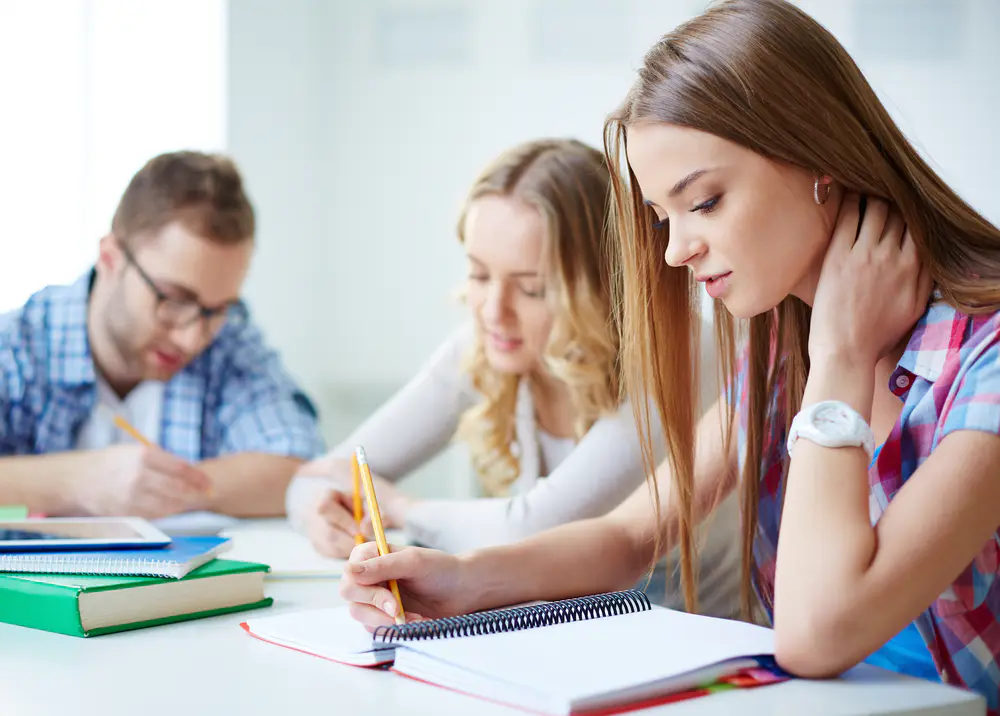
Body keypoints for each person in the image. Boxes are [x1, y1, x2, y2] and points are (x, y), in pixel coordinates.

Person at [339, 0, 1000, 709]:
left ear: (821, 161)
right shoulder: (784, 349)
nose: (676, 250)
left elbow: (815, 634)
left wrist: (839, 354)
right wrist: (465, 578)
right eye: (663, 216)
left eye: (705, 202)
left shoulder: (979, 358)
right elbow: (630, 536)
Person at [288, 138, 741, 617]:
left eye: (532, 288)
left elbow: (532, 529)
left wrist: (396, 506)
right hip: (562, 627)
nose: (492, 311)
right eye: (479, 276)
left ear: (602, 285)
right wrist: (323, 515)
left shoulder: (679, 352)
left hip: (695, 634)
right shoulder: (487, 343)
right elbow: (318, 477)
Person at [0, 151, 324, 519]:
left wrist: (163, 488)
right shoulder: (16, 347)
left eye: (217, 310)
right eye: (174, 299)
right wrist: (77, 480)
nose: (192, 338)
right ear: (110, 259)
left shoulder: (228, 341)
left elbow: (302, 469)